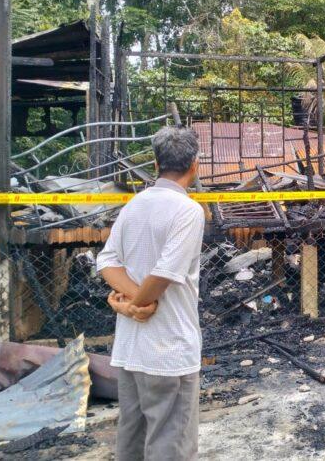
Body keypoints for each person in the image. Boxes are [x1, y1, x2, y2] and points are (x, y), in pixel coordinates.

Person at [97, 126, 205, 461]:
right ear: (194, 164)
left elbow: (107, 263)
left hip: (130, 351)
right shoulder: (188, 211)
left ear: (156, 164)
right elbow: (162, 276)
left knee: (132, 441)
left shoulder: (133, 206)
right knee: (169, 446)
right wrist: (139, 304)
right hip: (169, 351)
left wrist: (128, 303)